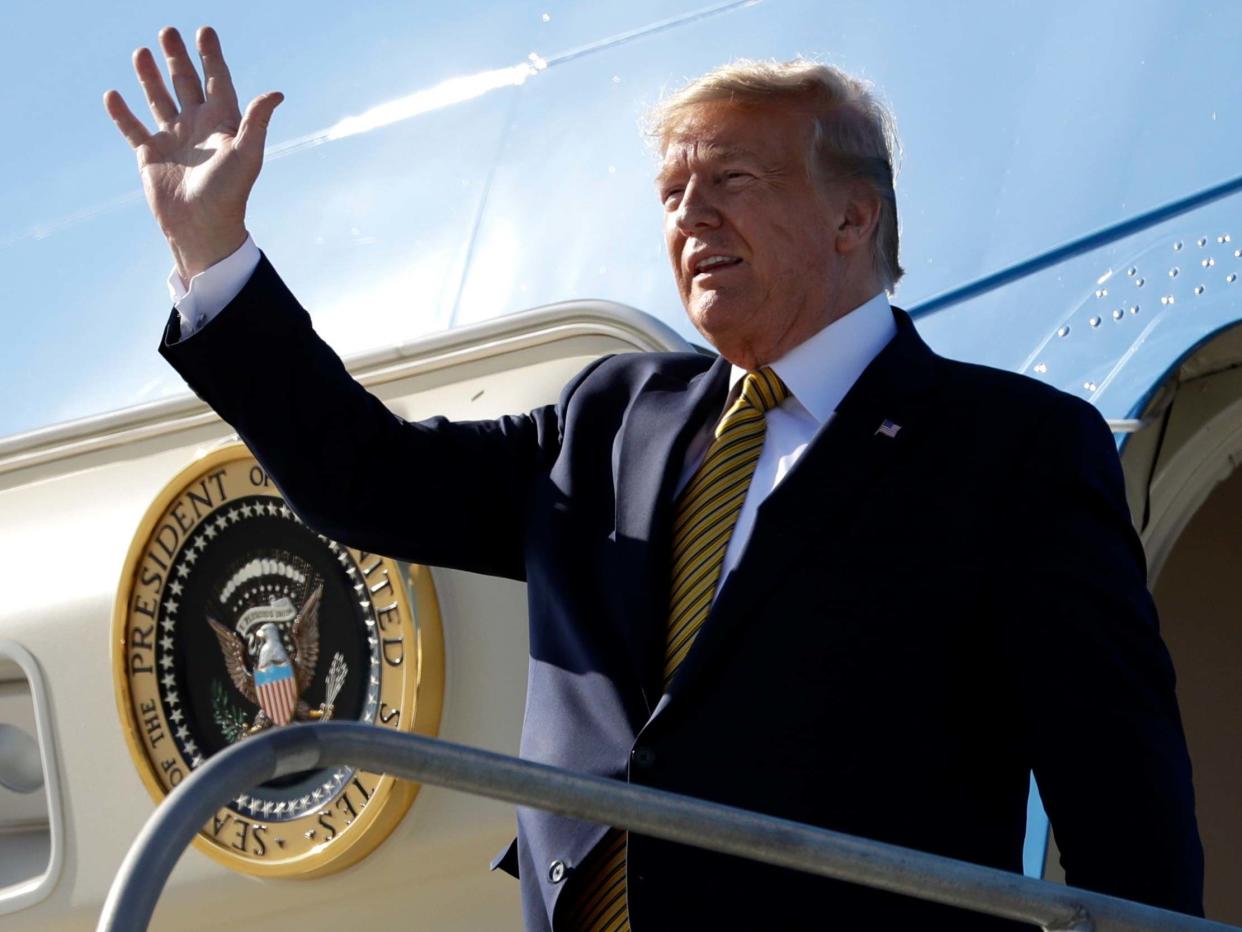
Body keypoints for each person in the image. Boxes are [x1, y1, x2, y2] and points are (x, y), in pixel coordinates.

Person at [105, 27, 1204, 931]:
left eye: (730, 181)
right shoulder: (614, 415)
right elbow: (371, 479)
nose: (690, 218)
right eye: (673, 194)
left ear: (853, 215)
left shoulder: (1010, 448)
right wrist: (216, 253)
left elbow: (1121, 794)